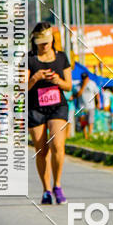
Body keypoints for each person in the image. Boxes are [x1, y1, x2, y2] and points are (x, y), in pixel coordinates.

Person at [27, 22, 72, 204]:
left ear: (52, 39)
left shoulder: (61, 57)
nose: (43, 45)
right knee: (41, 150)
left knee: (57, 145)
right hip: (35, 107)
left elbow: (68, 86)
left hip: (57, 106)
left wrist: (57, 80)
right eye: (40, 42)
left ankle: (57, 185)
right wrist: (35, 78)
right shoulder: (29, 59)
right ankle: (46, 189)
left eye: (46, 41)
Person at [77, 71, 101, 138]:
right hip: (82, 106)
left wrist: (98, 103)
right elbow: (78, 94)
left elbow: (97, 94)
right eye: (83, 78)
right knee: (83, 122)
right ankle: (85, 136)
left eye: (85, 78)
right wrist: (83, 85)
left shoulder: (92, 83)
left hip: (91, 106)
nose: (84, 80)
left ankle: (90, 134)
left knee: (90, 121)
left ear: (88, 78)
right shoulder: (79, 84)